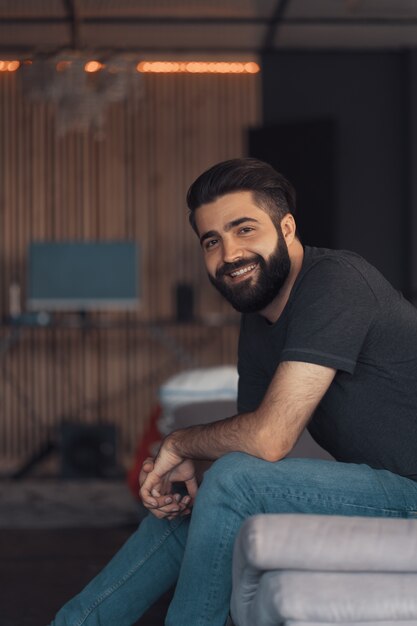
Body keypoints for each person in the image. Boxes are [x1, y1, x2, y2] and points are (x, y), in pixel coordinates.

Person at [50, 158, 417, 626]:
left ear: (286, 228)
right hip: (388, 483)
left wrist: (180, 443)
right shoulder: (260, 318)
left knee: (234, 481)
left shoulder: (337, 282)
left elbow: (269, 438)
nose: (229, 254)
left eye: (244, 230)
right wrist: (185, 475)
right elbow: (251, 449)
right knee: (201, 501)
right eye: (212, 241)